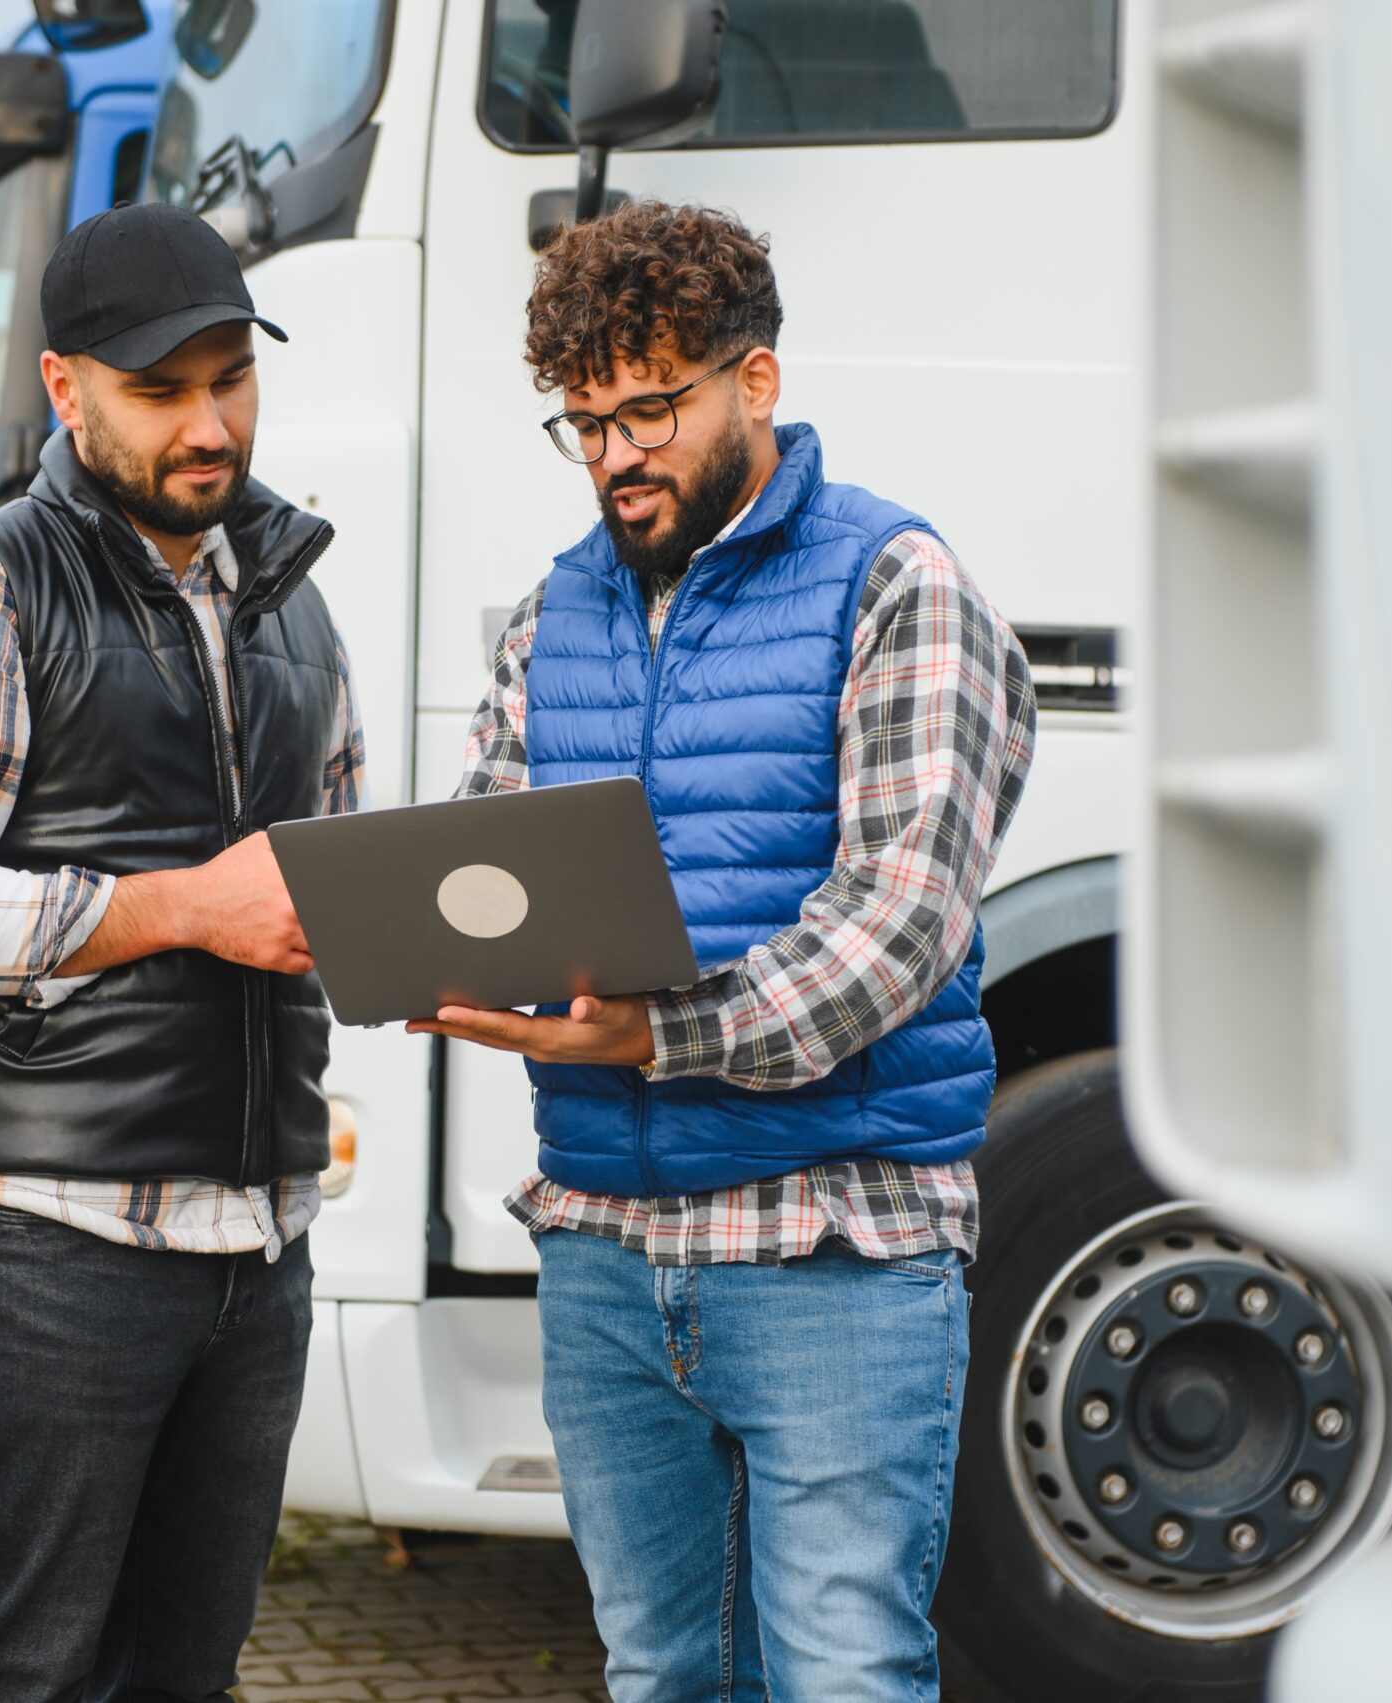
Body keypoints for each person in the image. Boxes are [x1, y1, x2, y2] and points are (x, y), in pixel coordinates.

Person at [410, 201, 1037, 1700]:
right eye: (585, 424)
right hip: (608, 1251)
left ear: (755, 382)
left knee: (839, 1671)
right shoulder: (552, 615)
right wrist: (416, 940)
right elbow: (495, 857)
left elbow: (896, 925)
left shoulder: (901, 586)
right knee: (659, 1675)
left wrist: (656, 1038)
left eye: (651, 409)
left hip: (833, 1243)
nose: (619, 454)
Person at [0, 202, 359, 1702]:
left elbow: (325, 870)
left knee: (181, 1681)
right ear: (65, 391)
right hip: (46, 1246)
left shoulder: (300, 611)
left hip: (256, 1250)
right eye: (162, 389)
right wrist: (180, 904)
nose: (210, 424)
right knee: (19, 1676)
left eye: (230, 380)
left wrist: (461, 939)